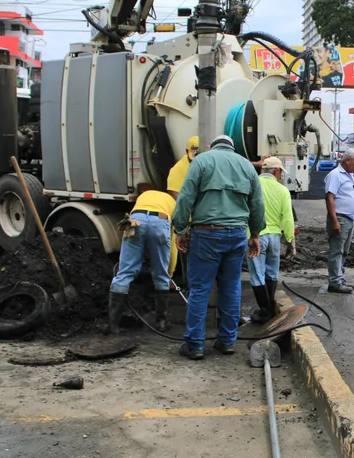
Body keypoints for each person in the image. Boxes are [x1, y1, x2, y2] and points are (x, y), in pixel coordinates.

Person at [172, 135, 265, 360]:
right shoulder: (246, 166)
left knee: (201, 288)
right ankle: (227, 341)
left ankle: (195, 344)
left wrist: (181, 229)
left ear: (211, 146)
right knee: (231, 288)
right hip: (236, 235)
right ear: (232, 147)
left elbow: (185, 197)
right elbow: (257, 204)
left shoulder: (202, 161)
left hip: (206, 234)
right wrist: (255, 234)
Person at [107, 190, 178, 334]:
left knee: (125, 272)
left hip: (135, 220)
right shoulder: (173, 204)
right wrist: (169, 273)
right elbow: (173, 250)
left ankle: (113, 325)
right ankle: (161, 323)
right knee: (161, 274)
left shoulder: (145, 196)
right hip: (160, 221)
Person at [246, 157, 295, 323]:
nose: (281, 175)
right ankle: (269, 307)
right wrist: (290, 242)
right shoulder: (282, 190)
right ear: (276, 171)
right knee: (272, 272)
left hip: (255, 236)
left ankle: (265, 310)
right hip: (274, 237)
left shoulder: (252, 185)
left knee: (257, 274)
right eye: (280, 172)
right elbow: (288, 219)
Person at [324, 147, 354, 294]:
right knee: (336, 250)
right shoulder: (335, 175)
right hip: (340, 218)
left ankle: (339, 278)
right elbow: (330, 198)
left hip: (350, 219)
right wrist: (334, 221)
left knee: (344, 251)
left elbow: (347, 194)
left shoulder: (349, 175)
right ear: (347, 160)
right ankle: (334, 282)